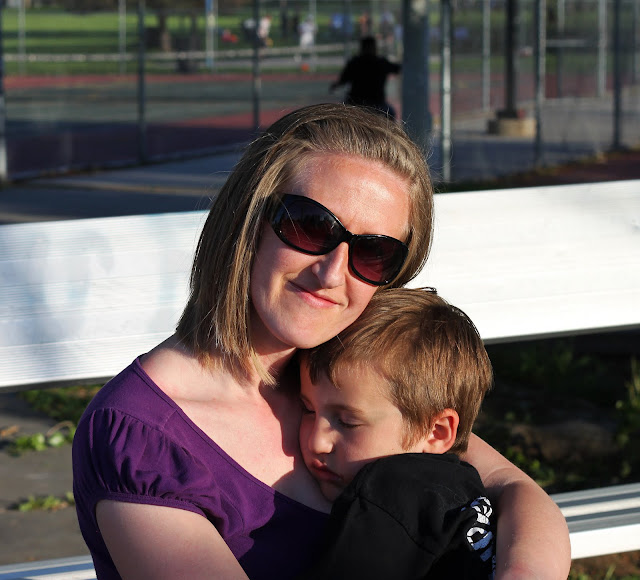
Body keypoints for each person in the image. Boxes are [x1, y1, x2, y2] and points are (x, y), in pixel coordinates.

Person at [72, 103, 571, 580]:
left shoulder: (352, 375)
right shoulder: (145, 438)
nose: (332, 274)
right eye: (311, 227)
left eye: (374, 252)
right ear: (249, 222)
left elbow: (511, 486)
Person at [298, 287, 496, 579]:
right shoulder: (464, 487)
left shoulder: (390, 494)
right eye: (307, 409)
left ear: (436, 432)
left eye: (348, 421)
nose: (317, 442)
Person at [330, 35, 401, 119]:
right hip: (376, 103)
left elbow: (342, 80)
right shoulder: (380, 62)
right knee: (390, 114)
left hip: (355, 102)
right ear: (374, 48)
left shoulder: (355, 62)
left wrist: (335, 86)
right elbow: (399, 68)